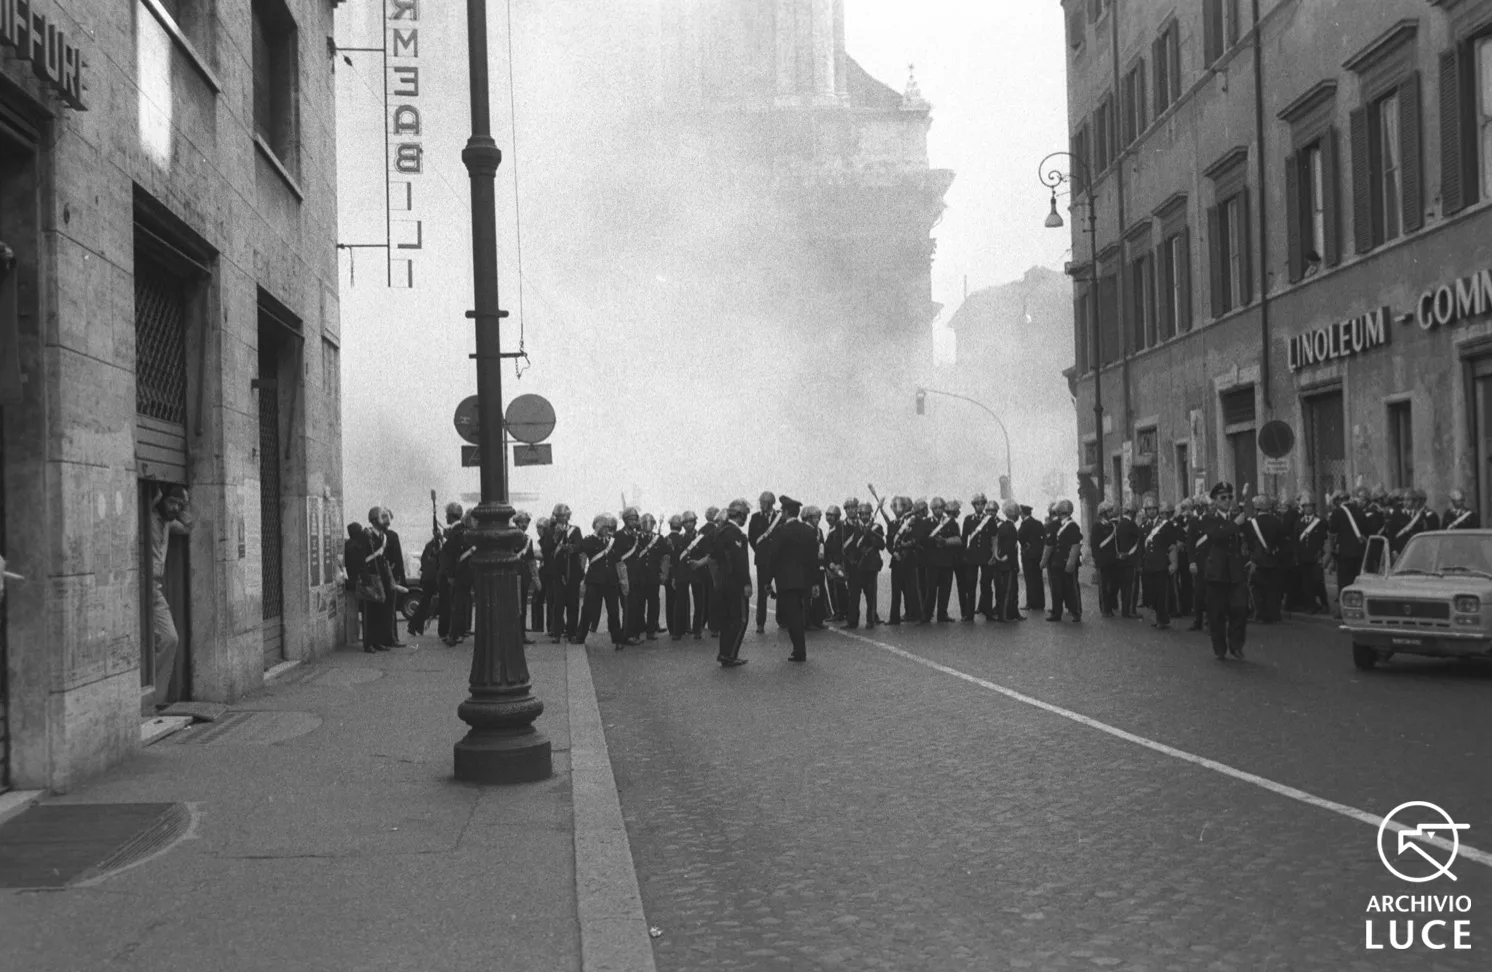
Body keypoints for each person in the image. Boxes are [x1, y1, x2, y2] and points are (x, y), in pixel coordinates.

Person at [146, 485, 193, 705]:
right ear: (162, 499)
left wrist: (185, 507)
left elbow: (189, 526)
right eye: (172, 502)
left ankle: (156, 700)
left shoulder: (168, 523)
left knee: (170, 639)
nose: (175, 507)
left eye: (179, 505)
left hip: (153, 589)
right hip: (138, 586)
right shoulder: (148, 517)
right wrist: (155, 500)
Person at [1198, 482, 1251, 660]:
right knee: (1217, 613)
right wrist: (1235, 524)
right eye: (1223, 497)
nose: (1227, 500)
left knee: (1240, 609)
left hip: (1235, 572)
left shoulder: (1237, 516)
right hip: (1217, 572)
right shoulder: (1209, 519)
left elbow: (1248, 537)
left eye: (1229, 497)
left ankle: (1236, 645)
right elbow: (1216, 535)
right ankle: (1219, 647)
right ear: (1215, 500)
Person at [771, 496, 819, 662]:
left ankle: (799, 651)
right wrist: (815, 582)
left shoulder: (780, 531)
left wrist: (768, 581)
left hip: (786, 582)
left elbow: (773, 557)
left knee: (792, 616)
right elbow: (814, 559)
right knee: (800, 612)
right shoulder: (808, 531)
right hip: (805, 580)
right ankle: (800, 650)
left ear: (785, 512)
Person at [712, 499, 753, 666]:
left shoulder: (720, 532)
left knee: (726, 621)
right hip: (735, 583)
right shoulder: (735, 534)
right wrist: (747, 583)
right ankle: (730, 655)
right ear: (741, 515)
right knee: (740, 620)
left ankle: (724, 653)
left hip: (723, 581)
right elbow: (740, 561)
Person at [577, 514, 626, 649]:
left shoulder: (613, 541)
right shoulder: (588, 541)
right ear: (597, 527)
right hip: (594, 581)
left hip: (611, 581)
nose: (606, 530)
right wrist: (582, 580)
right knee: (587, 610)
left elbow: (618, 562)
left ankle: (617, 640)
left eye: (608, 527)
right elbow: (582, 558)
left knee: (614, 612)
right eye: (604, 527)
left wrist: (623, 581)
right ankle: (580, 637)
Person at [345, 522, 389, 654]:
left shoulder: (356, 544)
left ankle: (375, 642)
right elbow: (359, 564)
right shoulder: (353, 546)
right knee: (369, 614)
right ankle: (369, 643)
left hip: (368, 580)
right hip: (364, 582)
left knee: (374, 613)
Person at [842, 500, 885, 630]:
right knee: (853, 596)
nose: (865, 516)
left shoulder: (877, 527)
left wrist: (870, 535)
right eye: (863, 514)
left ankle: (871, 620)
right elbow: (848, 547)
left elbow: (881, 545)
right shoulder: (853, 527)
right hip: (856, 566)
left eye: (867, 514)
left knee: (871, 596)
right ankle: (852, 621)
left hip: (870, 566)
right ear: (859, 515)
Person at [1139, 495, 1180, 630]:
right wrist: (1140, 564)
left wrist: (1174, 563)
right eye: (1148, 509)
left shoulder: (1166, 525)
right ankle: (1158, 615)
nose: (1151, 511)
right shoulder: (1143, 526)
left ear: (1157, 510)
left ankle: (1162, 619)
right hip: (1148, 564)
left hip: (1161, 563)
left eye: (1153, 509)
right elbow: (1141, 548)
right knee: (1152, 593)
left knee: (1162, 593)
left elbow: (1172, 545)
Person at [748, 491, 784, 634]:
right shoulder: (755, 517)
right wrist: (760, 550)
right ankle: (760, 622)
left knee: (781, 589)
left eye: (764, 502)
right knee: (762, 593)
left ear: (770, 503)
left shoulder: (780, 517)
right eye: (761, 502)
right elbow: (752, 538)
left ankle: (782, 619)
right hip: (762, 561)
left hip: (779, 560)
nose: (761, 505)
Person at [887, 496, 925, 625]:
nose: (897, 509)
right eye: (894, 506)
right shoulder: (892, 524)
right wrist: (894, 552)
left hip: (909, 559)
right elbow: (889, 543)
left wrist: (906, 545)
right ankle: (894, 618)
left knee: (913, 589)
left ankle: (919, 616)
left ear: (904, 507)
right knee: (896, 591)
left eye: (900, 506)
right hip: (896, 560)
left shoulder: (913, 521)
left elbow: (918, 537)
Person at [548, 504, 584, 643]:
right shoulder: (551, 531)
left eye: (563, 516)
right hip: (558, 572)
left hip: (573, 572)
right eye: (558, 516)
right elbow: (547, 550)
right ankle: (556, 632)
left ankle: (572, 632)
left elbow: (580, 546)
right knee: (558, 604)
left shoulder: (575, 530)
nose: (560, 518)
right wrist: (556, 537)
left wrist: (571, 548)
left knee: (573, 604)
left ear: (568, 516)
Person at [1245, 495, 1283, 623]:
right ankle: (1274, 614)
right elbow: (1281, 541)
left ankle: (1260, 614)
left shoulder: (1251, 523)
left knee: (1257, 589)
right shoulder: (1277, 521)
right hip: (1273, 559)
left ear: (1256, 508)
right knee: (1273, 589)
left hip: (1258, 560)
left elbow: (1250, 543)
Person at [923, 497, 961, 622]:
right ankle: (927, 614)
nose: (938, 510)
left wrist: (945, 542)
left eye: (940, 507)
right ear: (932, 509)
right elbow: (922, 540)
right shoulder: (926, 523)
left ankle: (942, 614)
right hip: (932, 561)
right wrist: (933, 541)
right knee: (931, 590)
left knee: (945, 590)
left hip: (946, 561)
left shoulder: (950, 522)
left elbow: (958, 539)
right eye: (935, 508)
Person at [374, 507, 407, 647]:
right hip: (391, 576)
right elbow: (398, 559)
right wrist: (402, 578)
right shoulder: (392, 536)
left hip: (378, 576)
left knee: (380, 610)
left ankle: (382, 639)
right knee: (390, 609)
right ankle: (391, 638)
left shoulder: (373, 535)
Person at [1046, 499, 1083, 622]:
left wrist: (1071, 562)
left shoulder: (1072, 526)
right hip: (1058, 562)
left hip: (1067, 562)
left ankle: (1076, 611)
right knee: (1057, 589)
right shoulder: (1062, 525)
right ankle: (1057, 613)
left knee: (1071, 589)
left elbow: (1075, 545)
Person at [1294, 494, 1331, 614]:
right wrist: (1296, 556)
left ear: (1313, 507)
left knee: (1318, 581)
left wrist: (1324, 556)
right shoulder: (1298, 522)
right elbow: (1296, 541)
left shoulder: (1320, 522)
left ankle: (1324, 604)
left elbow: (1326, 539)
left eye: (1310, 506)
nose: (1308, 508)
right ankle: (1311, 605)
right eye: (1305, 506)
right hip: (1303, 557)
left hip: (1316, 557)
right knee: (1306, 583)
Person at [962, 493, 995, 621]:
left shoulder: (990, 520)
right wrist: (963, 556)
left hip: (986, 555)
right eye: (977, 504)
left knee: (986, 585)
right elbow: (964, 539)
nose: (980, 506)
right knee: (970, 585)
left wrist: (994, 555)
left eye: (982, 504)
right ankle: (969, 614)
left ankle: (988, 612)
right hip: (972, 556)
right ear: (974, 505)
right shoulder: (968, 519)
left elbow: (994, 539)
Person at [436, 502, 465, 643]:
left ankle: (453, 633)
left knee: (452, 604)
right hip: (456, 573)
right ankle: (454, 632)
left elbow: (451, 554)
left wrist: (450, 575)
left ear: (451, 516)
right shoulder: (459, 530)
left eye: (447, 515)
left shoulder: (456, 532)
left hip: (452, 574)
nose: (446, 517)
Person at [991, 500, 1022, 621]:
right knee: (1009, 590)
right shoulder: (1011, 528)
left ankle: (1012, 613)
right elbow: (1010, 549)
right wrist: (1014, 565)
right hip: (1008, 564)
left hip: (1001, 563)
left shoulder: (1003, 526)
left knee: (1005, 589)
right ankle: (1003, 615)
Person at [636, 514, 665, 640]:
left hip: (653, 576)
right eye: (645, 523)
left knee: (654, 604)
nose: (648, 526)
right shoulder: (636, 538)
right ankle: (640, 627)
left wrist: (663, 573)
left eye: (650, 523)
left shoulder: (659, 538)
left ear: (654, 524)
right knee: (639, 603)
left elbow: (665, 556)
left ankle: (651, 629)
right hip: (640, 576)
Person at [515, 511, 540, 645]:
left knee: (523, 606)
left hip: (523, 575)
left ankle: (521, 633)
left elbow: (531, 560)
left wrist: (536, 578)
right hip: (513, 574)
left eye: (526, 522)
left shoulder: (528, 539)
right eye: (522, 522)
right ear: (517, 522)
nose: (524, 525)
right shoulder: (511, 537)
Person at [1115, 502, 1143, 619]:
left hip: (1121, 560)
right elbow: (1140, 539)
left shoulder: (1120, 524)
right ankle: (1130, 610)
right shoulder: (1132, 525)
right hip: (1131, 560)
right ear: (1132, 513)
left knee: (1124, 586)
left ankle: (1124, 609)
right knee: (1132, 587)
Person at [1091, 502, 1119, 617]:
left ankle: (1112, 604)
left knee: (1113, 585)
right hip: (1102, 560)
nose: (1111, 513)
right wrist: (1096, 560)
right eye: (1109, 511)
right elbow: (1094, 544)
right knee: (1104, 586)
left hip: (1113, 560)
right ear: (1103, 513)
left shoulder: (1113, 525)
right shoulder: (1097, 526)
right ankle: (1105, 609)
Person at [1017, 504, 1046, 614]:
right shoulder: (1038, 523)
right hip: (1038, 555)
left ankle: (1031, 603)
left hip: (1028, 555)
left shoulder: (1025, 524)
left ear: (1023, 514)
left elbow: (1019, 536)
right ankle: (1040, 603)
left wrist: (1026, 544)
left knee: (1029, 579)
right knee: (1038, 579)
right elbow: (1044, 537)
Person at [823, 505, 847, 622]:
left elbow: (838, 547)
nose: (828, 518)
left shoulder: (839, 528)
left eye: (831, 515)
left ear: (837, 516)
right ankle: (839, 612)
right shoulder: (831, 529)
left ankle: (840, 612)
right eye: (827, 515)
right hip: (831, 565)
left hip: (836, 565)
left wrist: (835, 563)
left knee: (838, 589)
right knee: (834, 589)